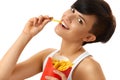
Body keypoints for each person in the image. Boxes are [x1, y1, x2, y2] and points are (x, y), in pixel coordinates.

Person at [0, 0, 116, 80]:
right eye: (73, 10)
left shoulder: (88, 66)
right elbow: (4, 77)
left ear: (88, 37)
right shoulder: (47, 55)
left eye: (80, 20)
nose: (68, 17)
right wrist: (26, 35)